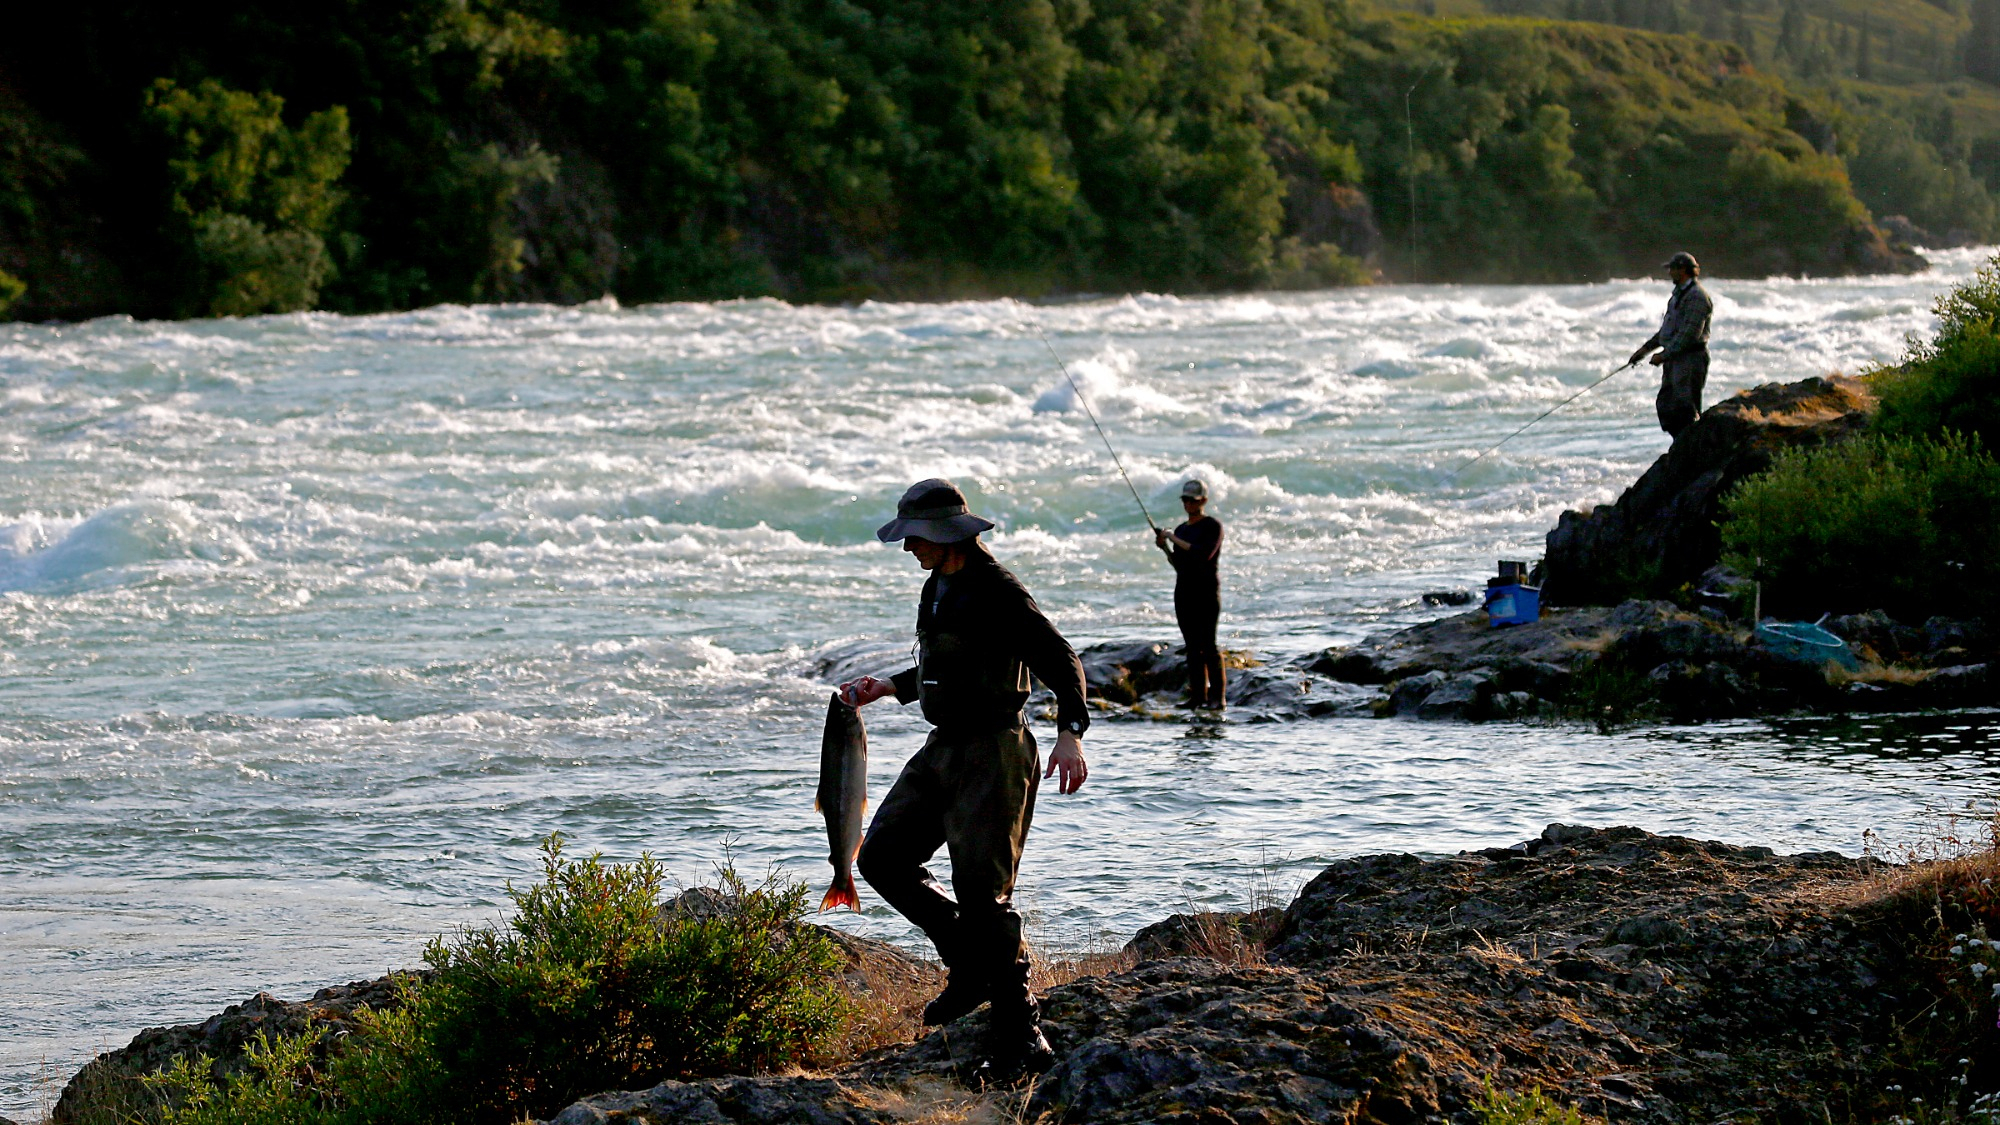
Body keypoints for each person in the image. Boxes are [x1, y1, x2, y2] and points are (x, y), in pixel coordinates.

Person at [838, 478, 1089, 1077]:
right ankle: (969, 963)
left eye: (914, 537)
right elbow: (942, 664)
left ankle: (1020, 1030)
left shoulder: (999, 591)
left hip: (994, 750)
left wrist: (1071, 733)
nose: (907, 549)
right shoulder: (937, 585)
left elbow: (1061, 659)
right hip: (944, 746)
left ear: (945, 534)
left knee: (982, 893)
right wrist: (891, 686)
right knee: (879, 859)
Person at [1153, 479, 1224, 709]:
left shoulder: (1213, 526)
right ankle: (1197, 698)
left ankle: (1217, 699)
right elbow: (1179, 563)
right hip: (1184, 592)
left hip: (1206, 593)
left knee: (1209, 646)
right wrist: (1164, 546)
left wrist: (1173, 538)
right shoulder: (1183, 530)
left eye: (1192, 500)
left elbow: (1204, 554)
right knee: (1192, 648)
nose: (1188, 504)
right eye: (1185, 500)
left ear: (1203, 501)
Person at [1628, 251, 1714, 438]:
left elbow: (1690, 335)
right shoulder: (1677, 296)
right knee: (1666, 406)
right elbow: (1667, 331)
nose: (1669, 273)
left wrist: (1663, 356)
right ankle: (1680, 446)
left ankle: (1689, 450)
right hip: (1675, 360)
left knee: (1685, 408)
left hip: (1691, 360)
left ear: (1683, 270)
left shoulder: (1697, 297)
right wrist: (1644, 350)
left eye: (1672, 269)